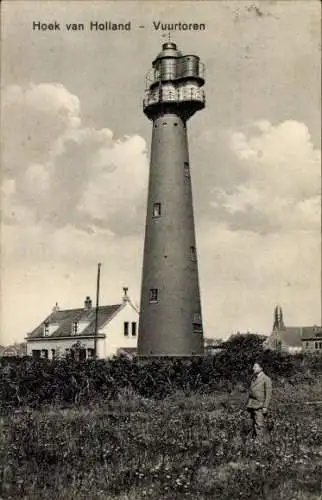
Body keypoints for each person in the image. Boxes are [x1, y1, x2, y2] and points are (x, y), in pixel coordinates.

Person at [247, 362, 272, 441]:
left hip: (259, 405)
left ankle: (260, 443)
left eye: (255, 366)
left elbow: (268, 394)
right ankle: (253, 439)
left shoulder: (266, 379)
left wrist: (265, 406)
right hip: (252, 404)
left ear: (261, 368)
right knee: (251, 423)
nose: (253, 368)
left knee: (259, 424)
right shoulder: (254, 378)